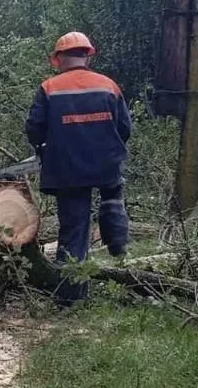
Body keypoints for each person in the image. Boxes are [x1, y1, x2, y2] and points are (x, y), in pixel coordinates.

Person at [25, 31, 132, 306]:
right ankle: (117, 243)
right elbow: (125, 128)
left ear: (59, 58)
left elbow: (34, 130)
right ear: (87, 55)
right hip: (106, 164)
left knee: (73, 229)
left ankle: (70, 296)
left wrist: (46, 145)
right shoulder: (109, 85)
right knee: (112, 195)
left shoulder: (49, 88)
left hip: (68, 168)